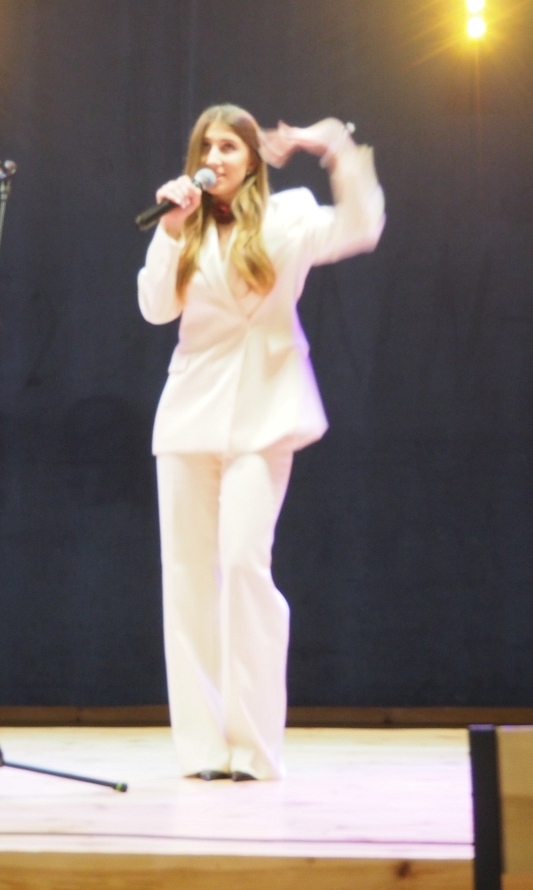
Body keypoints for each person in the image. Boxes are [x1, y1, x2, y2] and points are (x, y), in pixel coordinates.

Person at [137, 104, 385, 781]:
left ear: (250, 158)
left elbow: (363, 227)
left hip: (265, 411)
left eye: (228, 146)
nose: (214, 157)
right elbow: (155, 308)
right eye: (205, 147)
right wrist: (169, 231)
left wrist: (334, 146)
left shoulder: (288, 216)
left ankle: (252, 747)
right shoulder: (185, 226)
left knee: (244, 566)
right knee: (187, 578)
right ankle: (203, 748)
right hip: (190, 414)